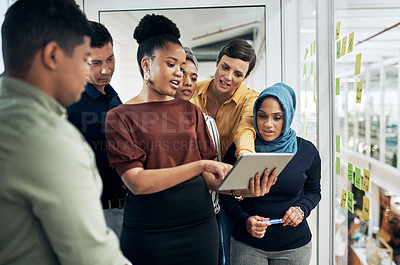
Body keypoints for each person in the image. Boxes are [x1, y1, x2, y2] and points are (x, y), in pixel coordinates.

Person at [105, 14, 275, 265]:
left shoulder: (191, 112)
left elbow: (209, 178)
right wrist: (200, 166)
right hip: (149, 234)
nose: (179, 73)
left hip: (200, 229)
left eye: (182, 66)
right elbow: (137, 182)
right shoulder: (119, 116)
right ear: (146, 64)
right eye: (171, 64)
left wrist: (242, 189)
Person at [0, 0, 131, 265]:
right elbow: (94, 258)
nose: (96, 70)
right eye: (84, 58)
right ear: (52, 56)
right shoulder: (46, 137)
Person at [219, 83, 322, 265]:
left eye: (277, 118)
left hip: (294, 246)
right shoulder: (242, 149)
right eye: (262, 116)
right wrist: (245, 220)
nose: (268, 124)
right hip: (247, 244)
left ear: (288, 116)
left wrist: (301, 209)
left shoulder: (306, 151)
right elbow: (224, 194)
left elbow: (314, 192)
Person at [67, 21, 127, 237]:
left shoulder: (112, 95)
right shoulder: (69, 103)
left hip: (125, 209)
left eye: (110, 59)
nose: (106, 69)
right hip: (95, 215)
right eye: (95, 63)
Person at [190, 38, 259, 158]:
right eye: (225, 68)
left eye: (237, 74)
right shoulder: (191, 92)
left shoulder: (252, 100)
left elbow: (245, 130)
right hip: (195, 170)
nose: (228, 77)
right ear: (217, 61)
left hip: (231, 170)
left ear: (246, 76)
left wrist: (247, 156)